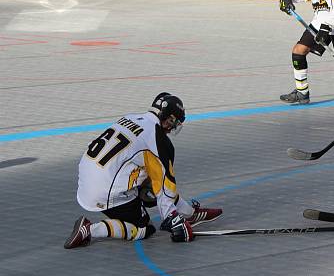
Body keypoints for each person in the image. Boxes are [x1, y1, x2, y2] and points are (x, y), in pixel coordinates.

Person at [64, 93, 222, 248]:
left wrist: (187, 212)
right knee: (145, 228)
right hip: (105, 191)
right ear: (169, 119)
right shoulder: (159, 140)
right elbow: (165, 189)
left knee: (148, 180)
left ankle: (190, 212)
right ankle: (90, 230)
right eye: (173, 124)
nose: (170, 129)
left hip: (87, 179)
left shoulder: (130, 118)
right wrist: (173, 219)